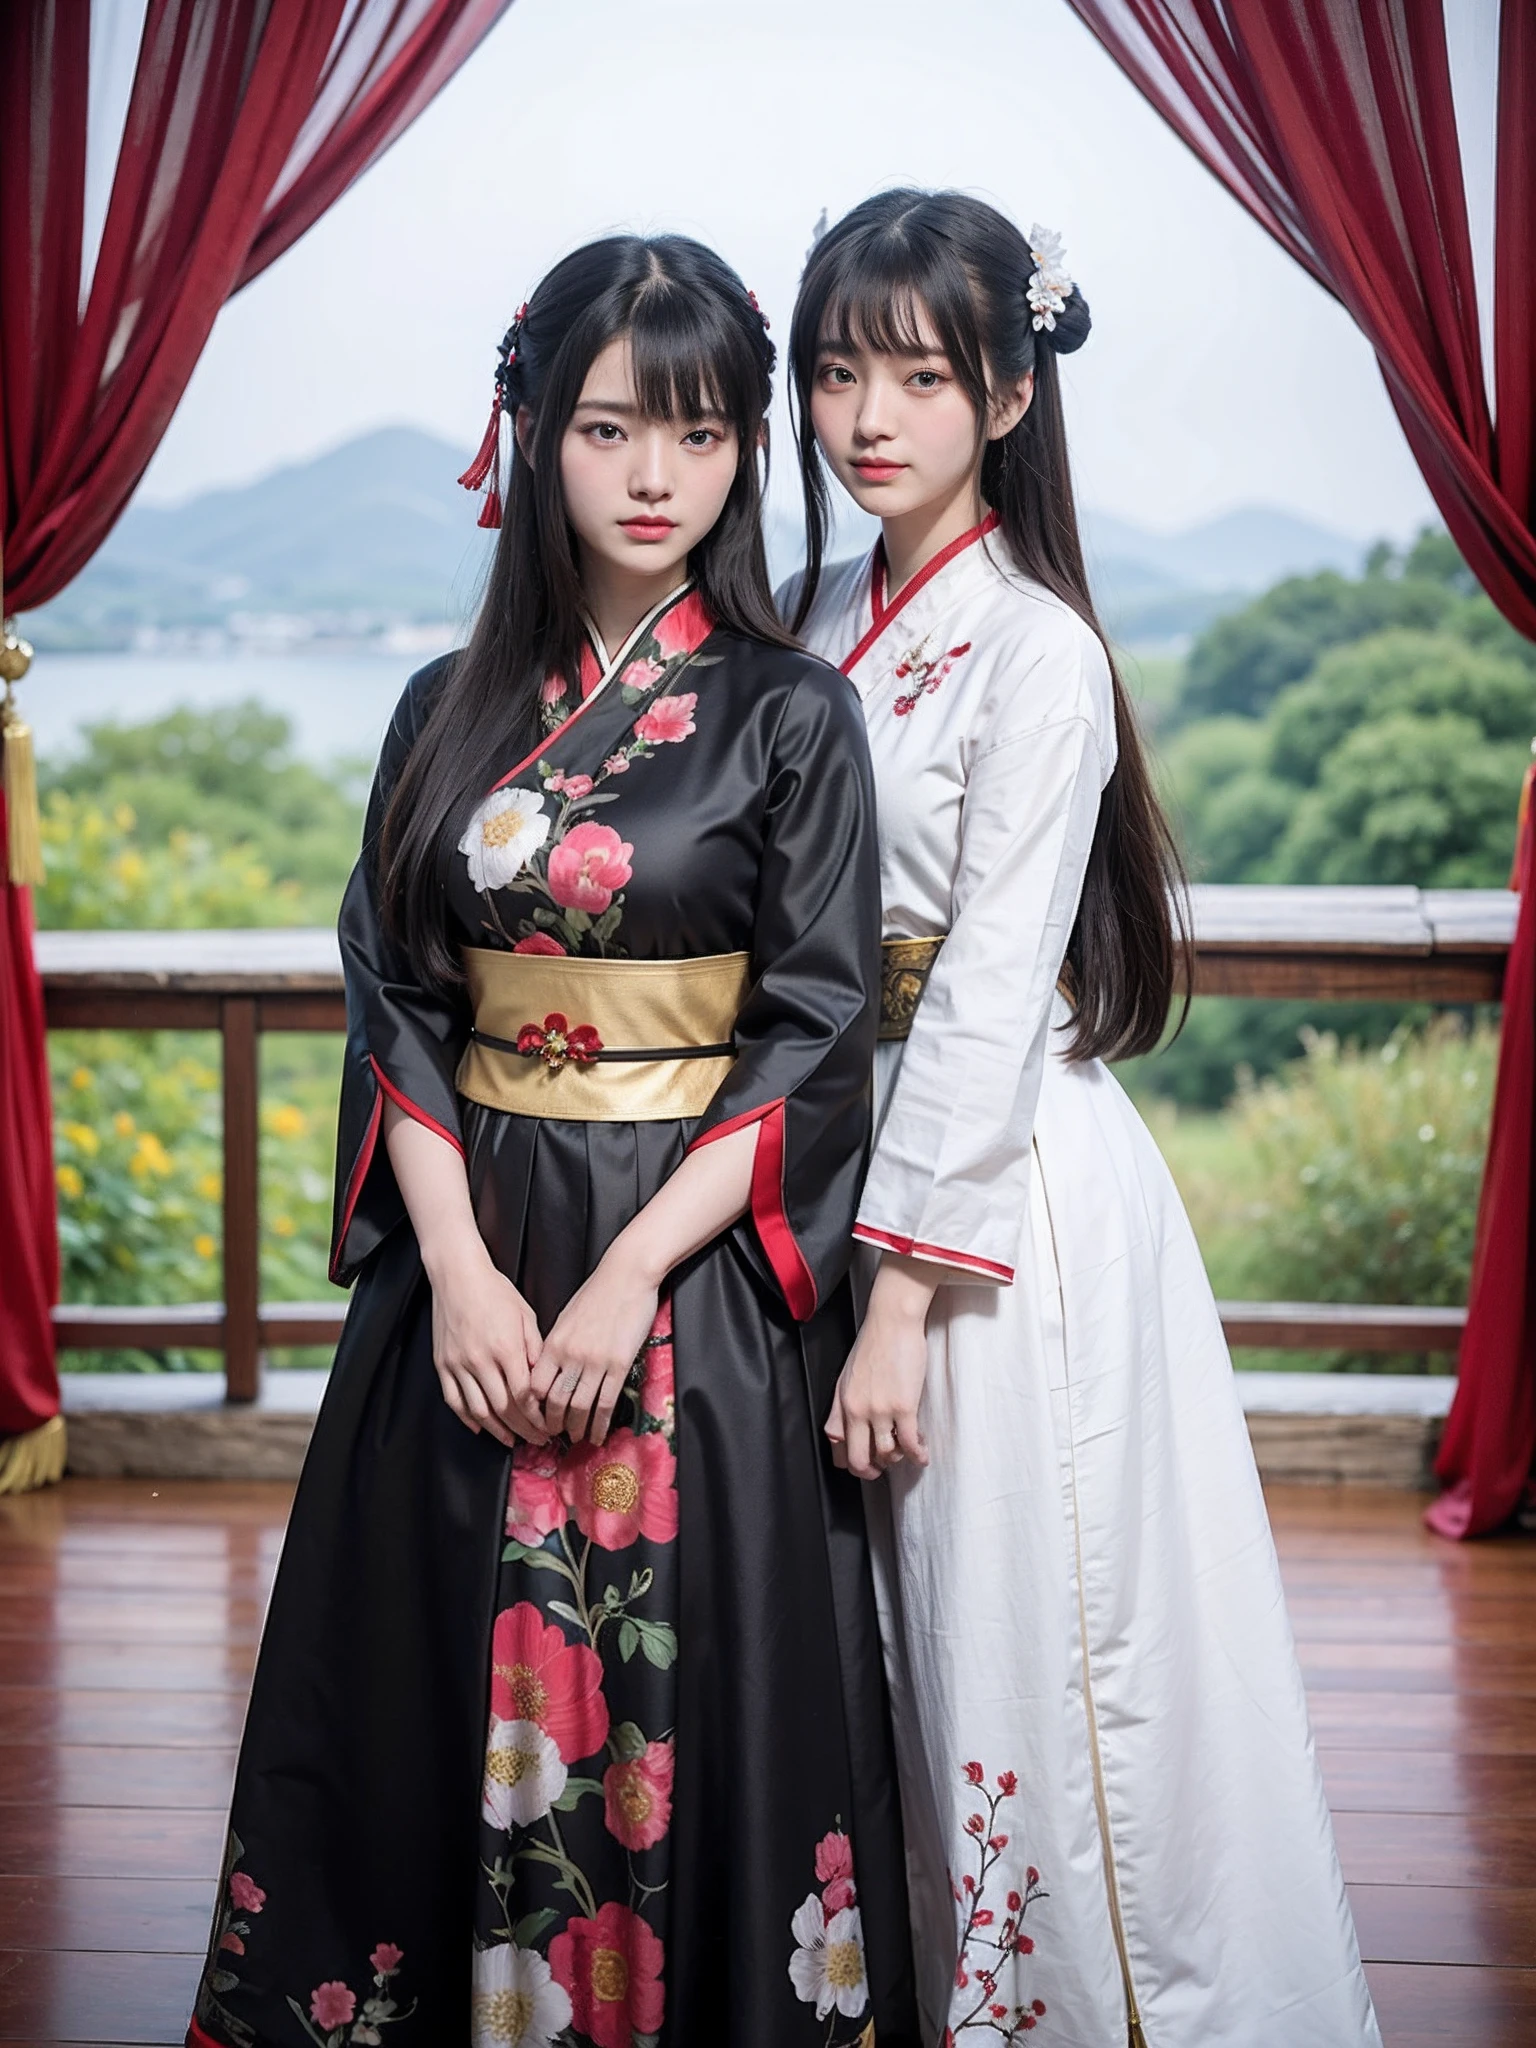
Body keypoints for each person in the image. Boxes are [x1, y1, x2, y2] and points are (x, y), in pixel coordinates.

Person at [188, 234, 918, 2048]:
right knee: (415, 1680)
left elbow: (814, 1033)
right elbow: (399, 997)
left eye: (695, 430)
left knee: (698, 1689)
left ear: (750, 450)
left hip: (684, 1265)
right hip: (473, 1237)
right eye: (605, 429)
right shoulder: (439, 713)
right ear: (530, 436)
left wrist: (619, 1290)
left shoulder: (792, 716)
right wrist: (450, 1274)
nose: (653, 475)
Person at [780, 190, 1381, 2048]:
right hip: (830, 1142)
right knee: (866, 1626)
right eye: (834, 372)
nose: (868, 415)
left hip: (992, 1202)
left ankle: (1072, 2006)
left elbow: (987, 992)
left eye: (920, 375)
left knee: (1019, 1617)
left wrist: (896, 1297)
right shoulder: (809, 615)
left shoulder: (1036, 655)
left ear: (1011, 397)